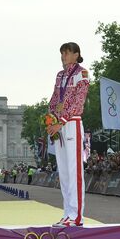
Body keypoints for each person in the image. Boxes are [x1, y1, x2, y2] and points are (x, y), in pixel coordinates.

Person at [47, 42, 89, 227]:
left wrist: (61, 120)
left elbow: (79, 102)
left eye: (67, 53)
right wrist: (50, 119)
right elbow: (54, 99)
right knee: (63, 172)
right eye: (62, 53)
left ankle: (76, 216)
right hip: (58, 125)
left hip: (72, 123)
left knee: (74, 171)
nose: (63, 56)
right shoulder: (60, 75)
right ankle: (67, 213)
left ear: (76, 54)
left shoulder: (82, 73)